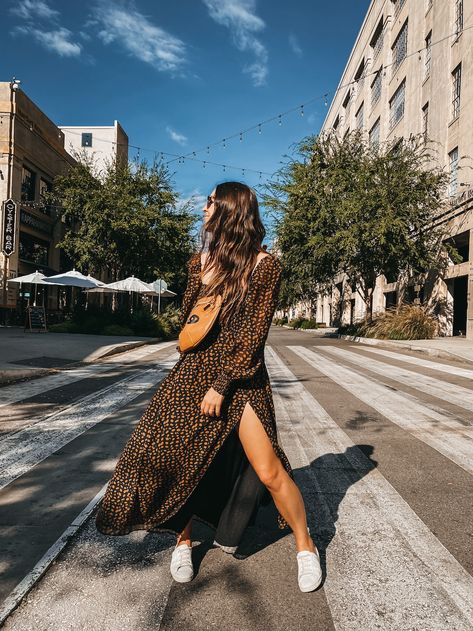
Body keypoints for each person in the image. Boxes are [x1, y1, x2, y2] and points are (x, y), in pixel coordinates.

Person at [95, 181, 322, 593]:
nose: (203, 207)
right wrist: (202, 274)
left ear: (230, 210)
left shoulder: (264, 265)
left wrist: (221, 384)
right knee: (176, 461)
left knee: (268, 470)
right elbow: (188, 326)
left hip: (242, 377)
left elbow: (253, 334)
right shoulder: (198, 262)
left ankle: (306, 546)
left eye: (211, 201)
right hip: (190, 375)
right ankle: (181, 542)